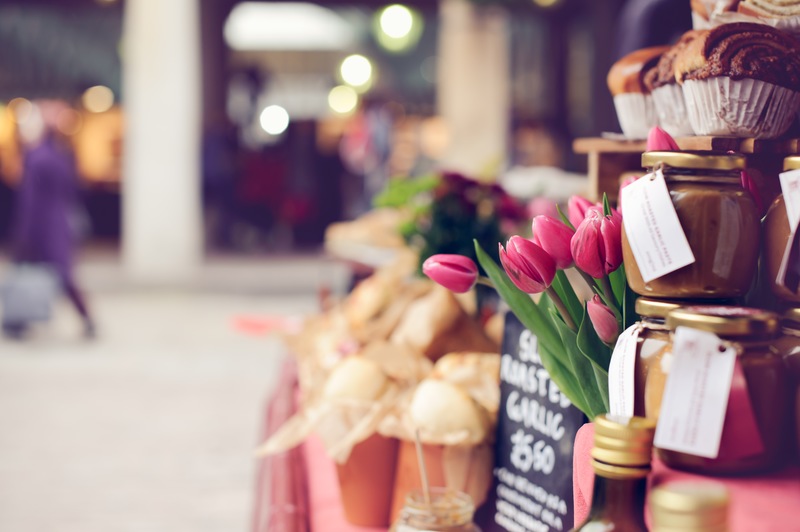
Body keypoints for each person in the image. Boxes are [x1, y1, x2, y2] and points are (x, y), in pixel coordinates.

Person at [10, 100, 95, 338]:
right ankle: (20, 320)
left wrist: (24, 234)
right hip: (59, 224)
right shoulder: (60, 156)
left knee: (49, 273)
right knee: (62, 274)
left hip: (45, 227)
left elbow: (31, 203)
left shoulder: (38, 160)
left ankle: (17, 320)